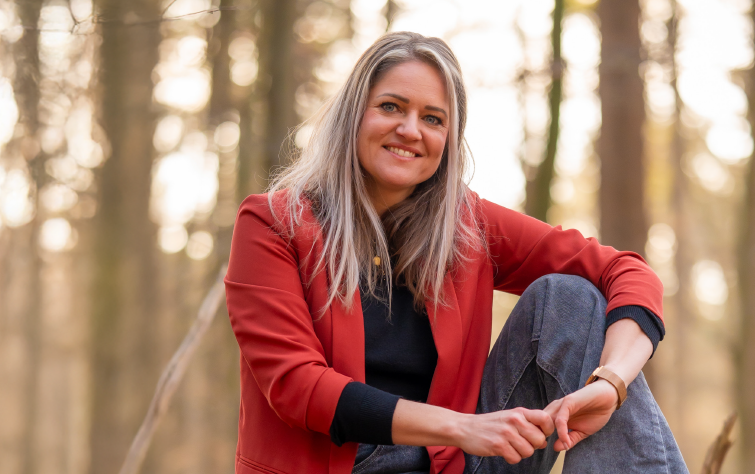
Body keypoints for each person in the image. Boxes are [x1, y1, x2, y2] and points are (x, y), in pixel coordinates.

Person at [224, 31, 688, 474]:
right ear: (353, 115)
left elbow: (625, 270)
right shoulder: (275, 224)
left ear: (448, 139)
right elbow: (298, 387)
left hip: (459, 464)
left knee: (569, 298)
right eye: (391, 107)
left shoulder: (467, 227)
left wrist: (611, 381)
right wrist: (463, 428)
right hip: (347, 463)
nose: (410, 130)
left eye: (433, 118)